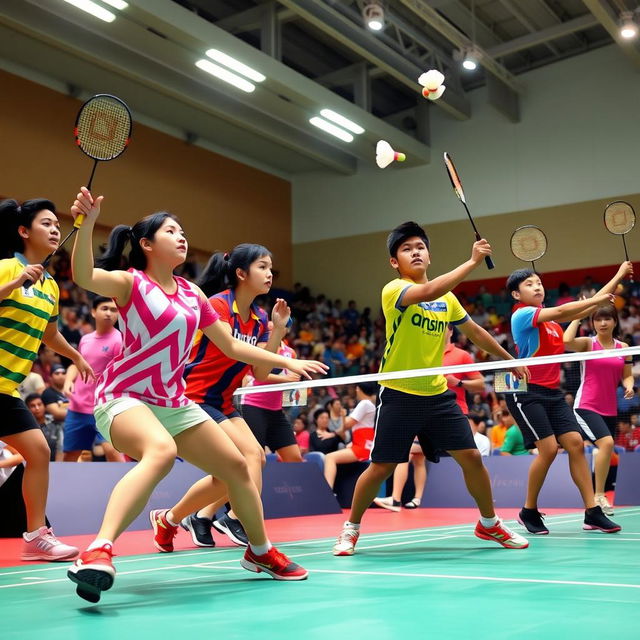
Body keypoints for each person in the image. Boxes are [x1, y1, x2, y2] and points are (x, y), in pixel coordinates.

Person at [67, 188, 327, 602]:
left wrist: (288, 362)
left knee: (239, 466)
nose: (182, 236)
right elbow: (83, 275)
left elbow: (232, 347)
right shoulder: (131, 283)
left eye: (183, 230)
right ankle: (98, 550)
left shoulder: (193, 294)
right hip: (124, 394)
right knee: (160, 451)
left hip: (173, 400)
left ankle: (260, 552)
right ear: (147, 245)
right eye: (171, 231)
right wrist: (85, 223)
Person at [333, 221, 529, 556]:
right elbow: (428, 291)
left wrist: (507, 359)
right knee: (382, 465)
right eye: (407, 249)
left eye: (420, 247)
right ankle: (351, 528)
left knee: (470, 457)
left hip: (437, 394)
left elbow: (476, 333)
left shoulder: (448, 300)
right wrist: (470, 263)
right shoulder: (394, 290)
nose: (415, 252)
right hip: (398, 391)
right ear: (395, 262)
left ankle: (489, 522)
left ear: (429, 254)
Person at [160, 243, 305, 550]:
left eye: (270, 268)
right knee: (248, 459)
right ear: (241, 273)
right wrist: (288, 361)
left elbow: (261, 374)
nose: (269, 274)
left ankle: (172, 519)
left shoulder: (260, 317)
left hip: (224, 402)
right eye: (262, 267)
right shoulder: (218, 305)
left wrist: (277, 330)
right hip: (195, 397)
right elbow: (230, 348)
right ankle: (236, 518)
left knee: (239, 468)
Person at [505, 263, 632, 535]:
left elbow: (586, 310)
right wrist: (595, 300)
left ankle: (593, 512)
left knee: (575, 444)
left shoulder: (550, 323)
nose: (537, 286)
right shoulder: (523, 315)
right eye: (529, 284)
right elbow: (566, 310)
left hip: (552, 393)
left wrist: (618, 277)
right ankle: (528, 510)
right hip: (526, 392)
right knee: (549, 449)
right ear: (516, 295)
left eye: (538, 282)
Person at [0, 196, 93, 561]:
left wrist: (77, 356)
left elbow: (50, 335)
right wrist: (15, 282)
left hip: (5, 388)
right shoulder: (7, 267)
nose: (55, 229)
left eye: (58, 224)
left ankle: (36, 535)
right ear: (23, 231)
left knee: (38, 452)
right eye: (46, 223)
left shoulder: (51, 287)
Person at [375, 325, 486, 510]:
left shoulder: (462, 355)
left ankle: (395, 499)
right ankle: (416, 498)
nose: (439, 330)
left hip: (452, 412)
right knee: (417, 457)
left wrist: (458, 382)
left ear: (450, 331)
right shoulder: (423, 352)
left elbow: (481, 384)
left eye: (444, 327)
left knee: (415, 452)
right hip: (422, 410)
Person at [563, 304, 634, 515]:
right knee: (607, 443)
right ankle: (599, 496)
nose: (603, 323)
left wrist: (629, 385)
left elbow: (627, 374)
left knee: (605, 447)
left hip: (609, 408)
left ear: (615, 321)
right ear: (592, 322)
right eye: (597, 319)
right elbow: (566, 341)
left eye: (607, 319)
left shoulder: (623, 347)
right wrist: (578, 315)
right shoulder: (587, 343)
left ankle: (597, 497)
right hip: (586, 405)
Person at [62, 296, 124, 462]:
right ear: (93, 312)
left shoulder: (120, 341)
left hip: (105, 407)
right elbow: (77, 364)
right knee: (70, 456)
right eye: (104, 309)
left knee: (112, 452)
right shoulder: (85, 339)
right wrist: (68, 382)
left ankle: (121, 489)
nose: (109, 313)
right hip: (78, 406)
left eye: (114, 310)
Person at [240, 325, 304, 463]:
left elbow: (292, 378)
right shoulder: (260, 347)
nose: (271, 329)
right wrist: (285, 379)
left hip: (276, 411)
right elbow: (255, 374)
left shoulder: (290, 353)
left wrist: (295, 384)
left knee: (294, 458)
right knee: (256, 457)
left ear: (286, 330)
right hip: (253, 406)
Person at [323, 382, 377, 490]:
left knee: (329, 457)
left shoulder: (364, 404)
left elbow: (346, 425)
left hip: (362, 447)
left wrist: (343, 416)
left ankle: (327, 491)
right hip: (361, 443)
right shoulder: (369, 404)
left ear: (358, 389)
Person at [41, 363, 69, 460]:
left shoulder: (71, 391)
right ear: (50, 377)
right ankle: (59, 466)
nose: (61, 376)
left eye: (63, 373)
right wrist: (78, 413)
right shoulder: (48, 393)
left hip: (70, 423)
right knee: (63, 428)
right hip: (52, 427)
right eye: (57, 373)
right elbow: (58, 414)